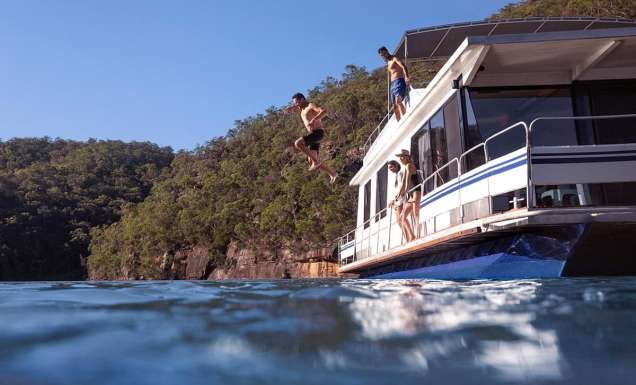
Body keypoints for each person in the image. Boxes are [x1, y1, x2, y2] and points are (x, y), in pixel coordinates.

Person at [285, 93, 338, 184]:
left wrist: (314, 119)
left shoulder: (310, 105)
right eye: (295, 103)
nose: (296, 104)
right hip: (313, 134)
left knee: (298, 143)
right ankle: (333, 173)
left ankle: (315, 161)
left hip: (317, 133)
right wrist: (290, 109)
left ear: (302, 99)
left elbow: (323, 111)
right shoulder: (301, 108)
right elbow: (295, 107)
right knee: (312, 160)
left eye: (297, 102)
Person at [378, 46, 410, 121]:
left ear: (387, 51)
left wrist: (406, 77)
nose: (383, 56)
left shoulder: (394, 58)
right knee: (394, 106)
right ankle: (399, 122)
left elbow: (403, 66)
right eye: (382, 56)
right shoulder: (388, 62)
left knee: (398, 101)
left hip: (399, 81)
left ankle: (405, 119)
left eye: (384, 54)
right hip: (393, 84)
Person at [396, 149, 422, 239]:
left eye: (402, 156)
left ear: (407, 157)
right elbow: (403, 183)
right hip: (411, 193)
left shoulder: (409, 165)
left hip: (416, 191)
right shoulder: (406, 166)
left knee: (415, 213)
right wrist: (398, 195)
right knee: (401, 217)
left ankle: (418, 234)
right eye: (400, 157)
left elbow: (407, 181)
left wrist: (405, 192)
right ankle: (412, 236)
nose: (400, 158)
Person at [388, 160, 414, 243]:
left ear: (396, 165)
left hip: (400, 200)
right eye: (389, 168)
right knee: (399, 221)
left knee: (401, 219)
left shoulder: (400, 173)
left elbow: (401, 188)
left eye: (391, 167)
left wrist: (395, 200)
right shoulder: (397, 175)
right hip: (397, 200)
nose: (390, 169)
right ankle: (407, 238)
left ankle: (411, 236)